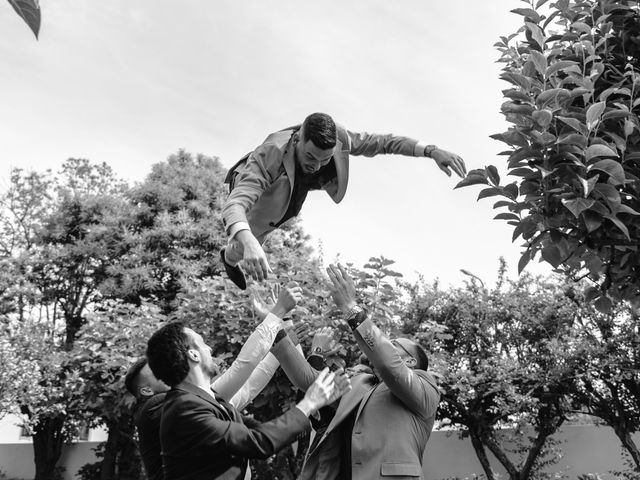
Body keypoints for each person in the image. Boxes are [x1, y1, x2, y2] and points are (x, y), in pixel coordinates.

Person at [220, 112, 467, 289]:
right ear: (297, 139)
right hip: (260, 187)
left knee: (268, 226)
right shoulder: (272, 151)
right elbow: (235, 204)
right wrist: (249, 241)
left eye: (324, 160)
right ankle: (230, 257)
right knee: (249, 237)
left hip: (291, 192)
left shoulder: (342, 138)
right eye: (310, 156)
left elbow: (384, 143)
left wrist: (432, 150)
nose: (316, 165)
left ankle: (234, 252)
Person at [270, 264, 441, 480]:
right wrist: (273, 323)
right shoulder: (360, 383)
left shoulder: (425, 386)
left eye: (394, 344)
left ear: (410, 360)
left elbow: (390, 365)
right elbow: (309, 381)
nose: (387, 343)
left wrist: (351, 307)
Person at [124, 284, 304, 480]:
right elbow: (239, 370)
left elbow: (245, 389)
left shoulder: (193, 402)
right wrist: (276, 315)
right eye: (156, 368)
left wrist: (282, 341)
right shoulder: (156, 408)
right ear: (146, 390)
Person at [146, 321, 351, 480]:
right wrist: (310, 402)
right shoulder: (184, 407)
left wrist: (284, 336)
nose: (209, 349)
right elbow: (258, 442)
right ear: (193, 354)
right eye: (203, 343)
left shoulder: (207, 401)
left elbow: (263, 431)